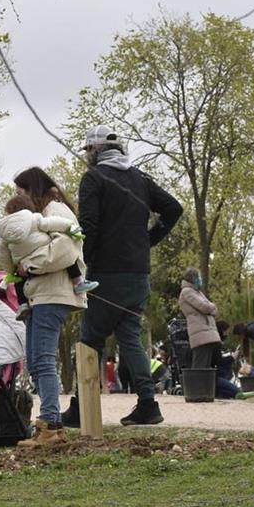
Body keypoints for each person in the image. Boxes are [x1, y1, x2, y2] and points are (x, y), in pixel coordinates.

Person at [76, 126, 183, 426]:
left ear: (95, 151)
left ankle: (78, 407)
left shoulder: (93, 178)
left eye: (87, 151)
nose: (87, 156)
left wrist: (81, 266)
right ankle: (148, 404)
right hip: (138, 274)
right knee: (130, 338)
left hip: (105, 275)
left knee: (89, 339)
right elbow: (173, 209)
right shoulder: (141, 179)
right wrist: (148, 241)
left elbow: (89, 227)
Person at [9, 167, 89, 446]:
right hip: (40, 294)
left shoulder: (56, 209)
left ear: (34, 189)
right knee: (35, 359)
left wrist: (29, 265)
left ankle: (51, 426)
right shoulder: (39, 216)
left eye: (22, 191)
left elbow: (68, 249)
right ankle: (48, 423)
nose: (19, 196)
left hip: (53, 293)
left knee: (42, 359)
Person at [0, 193, 97, 320]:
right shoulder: (35, 219)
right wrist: (71, 228)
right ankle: (78, 282)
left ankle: (22, 305)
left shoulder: (5, 235)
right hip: (41, 252)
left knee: (19, 280)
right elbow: (55, 223)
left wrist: (11, 270)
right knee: (69, 260)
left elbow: (3, 254)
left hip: (23, 264)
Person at [178, 267, 220, 370]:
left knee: (206, 366)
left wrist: (211, 308)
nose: (200, 279)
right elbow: (205, 307)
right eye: (198, 277)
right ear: (192, 277)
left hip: (207, 333)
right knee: (200, 365)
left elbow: (213, 309)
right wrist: (211, 307)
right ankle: (196, 386)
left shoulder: (198, 292)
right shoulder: (187, 292)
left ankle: (203, 386)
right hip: (200, 333)